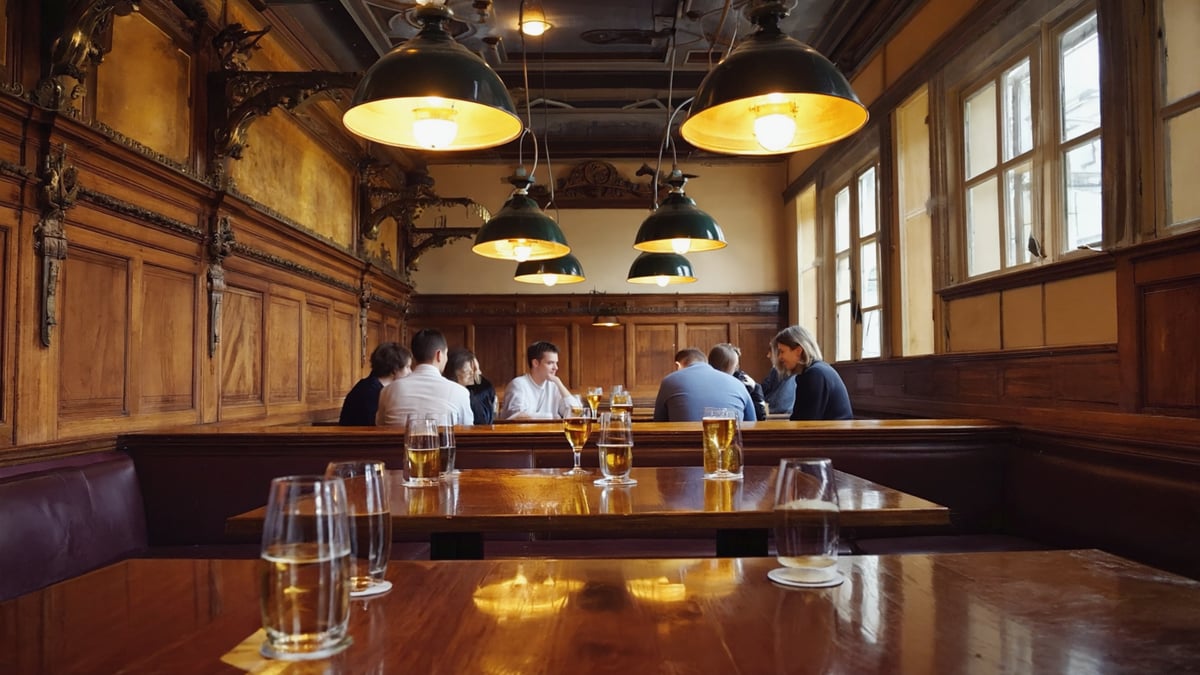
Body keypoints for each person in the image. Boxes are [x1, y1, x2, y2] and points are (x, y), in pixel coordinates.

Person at [376, 329, 474, 426]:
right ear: (439, 355)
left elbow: (379, 426)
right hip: (443, 442)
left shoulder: (387, 391)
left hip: (397, 442)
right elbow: (467, 432)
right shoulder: (460, 392)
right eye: (446, 354)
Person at [772, 325, 853, 421]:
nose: (780, 357)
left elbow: (805, 423)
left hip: (832, 435)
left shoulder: (814, 374)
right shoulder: (817, 370)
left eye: (782, 351)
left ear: (798, 351)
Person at [653, 348, 755, 422]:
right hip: (728, 446)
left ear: (678, 365)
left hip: (684, 448)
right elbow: (752, 423)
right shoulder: (737, 383)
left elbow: (659, 422)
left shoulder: (669, 380)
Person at [500, 341, 582, 420]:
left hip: (550, 433)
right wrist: (552, 417)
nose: (556, 368)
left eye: (556, 363)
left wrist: (559, 383)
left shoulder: (554, 385)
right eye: (550, 363)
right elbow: (517, 417)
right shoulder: (518, 384)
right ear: (535, 363)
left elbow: (575, 414)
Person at [338, 342, 411, 425]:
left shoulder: (368, 385)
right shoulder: (370, 392)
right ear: (394, 369)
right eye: (408, 367)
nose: (410, 372)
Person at [709, 343, 768, 421]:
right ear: (728, 367)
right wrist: (756, 388)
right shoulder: (738, 385)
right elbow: (758, 418)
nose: (738, 368)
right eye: (736, 366)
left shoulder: (702, 384)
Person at [445, 348, 495, 425]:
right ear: (452, 372)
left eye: (476, 369)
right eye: (468, 371)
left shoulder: (481, 390)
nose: (474, 374)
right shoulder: (450, 392)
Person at [761, 345, 797, 416]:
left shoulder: (777, 370)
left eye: (770, 352)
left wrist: (753, 386)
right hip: (789, 411)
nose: (768, 356)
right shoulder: (793, 368)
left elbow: (764, 389)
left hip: (775, 412)